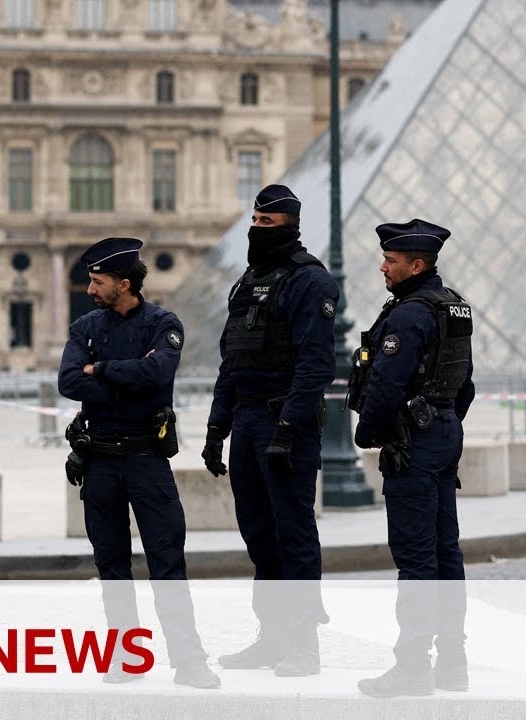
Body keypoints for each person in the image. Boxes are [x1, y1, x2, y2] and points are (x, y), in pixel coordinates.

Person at [58, 237, 220, 689]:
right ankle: (125, 658)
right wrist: (124, 376)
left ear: (123, 283)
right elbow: (69, 381)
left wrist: (101, 370)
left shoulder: (163, 323)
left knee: (167, 562)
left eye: (97, 281)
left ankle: (189, 660)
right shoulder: (86, 326)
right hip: (100, 461)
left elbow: (157, 375)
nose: (89, 289)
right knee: (111, 565)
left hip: (147, 459)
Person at [202, 185, 338, 677]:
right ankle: (272, 635)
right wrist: (217, 427)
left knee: (294, 533)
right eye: (254, 222)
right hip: (246, 421)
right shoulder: (246, 282)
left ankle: (304, 643)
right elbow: (231, 359)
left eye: (267, 223)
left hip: (286, 423)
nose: (257, 230)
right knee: (259, 534)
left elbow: (315, 363)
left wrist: (287, 426)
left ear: (290, 225)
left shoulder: (309, 281)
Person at [347, 219, 474, 697]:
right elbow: (467, 383)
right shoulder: (454, 307)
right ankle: (453, 662)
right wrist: (442, 419)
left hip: (413, 444)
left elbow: (385, 385)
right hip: (443, 432)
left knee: (416, 556)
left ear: (416, 265)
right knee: (447, 550)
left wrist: (369, 432)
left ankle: (414, 667)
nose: (383, 266)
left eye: (392, 261)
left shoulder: (408, 315)